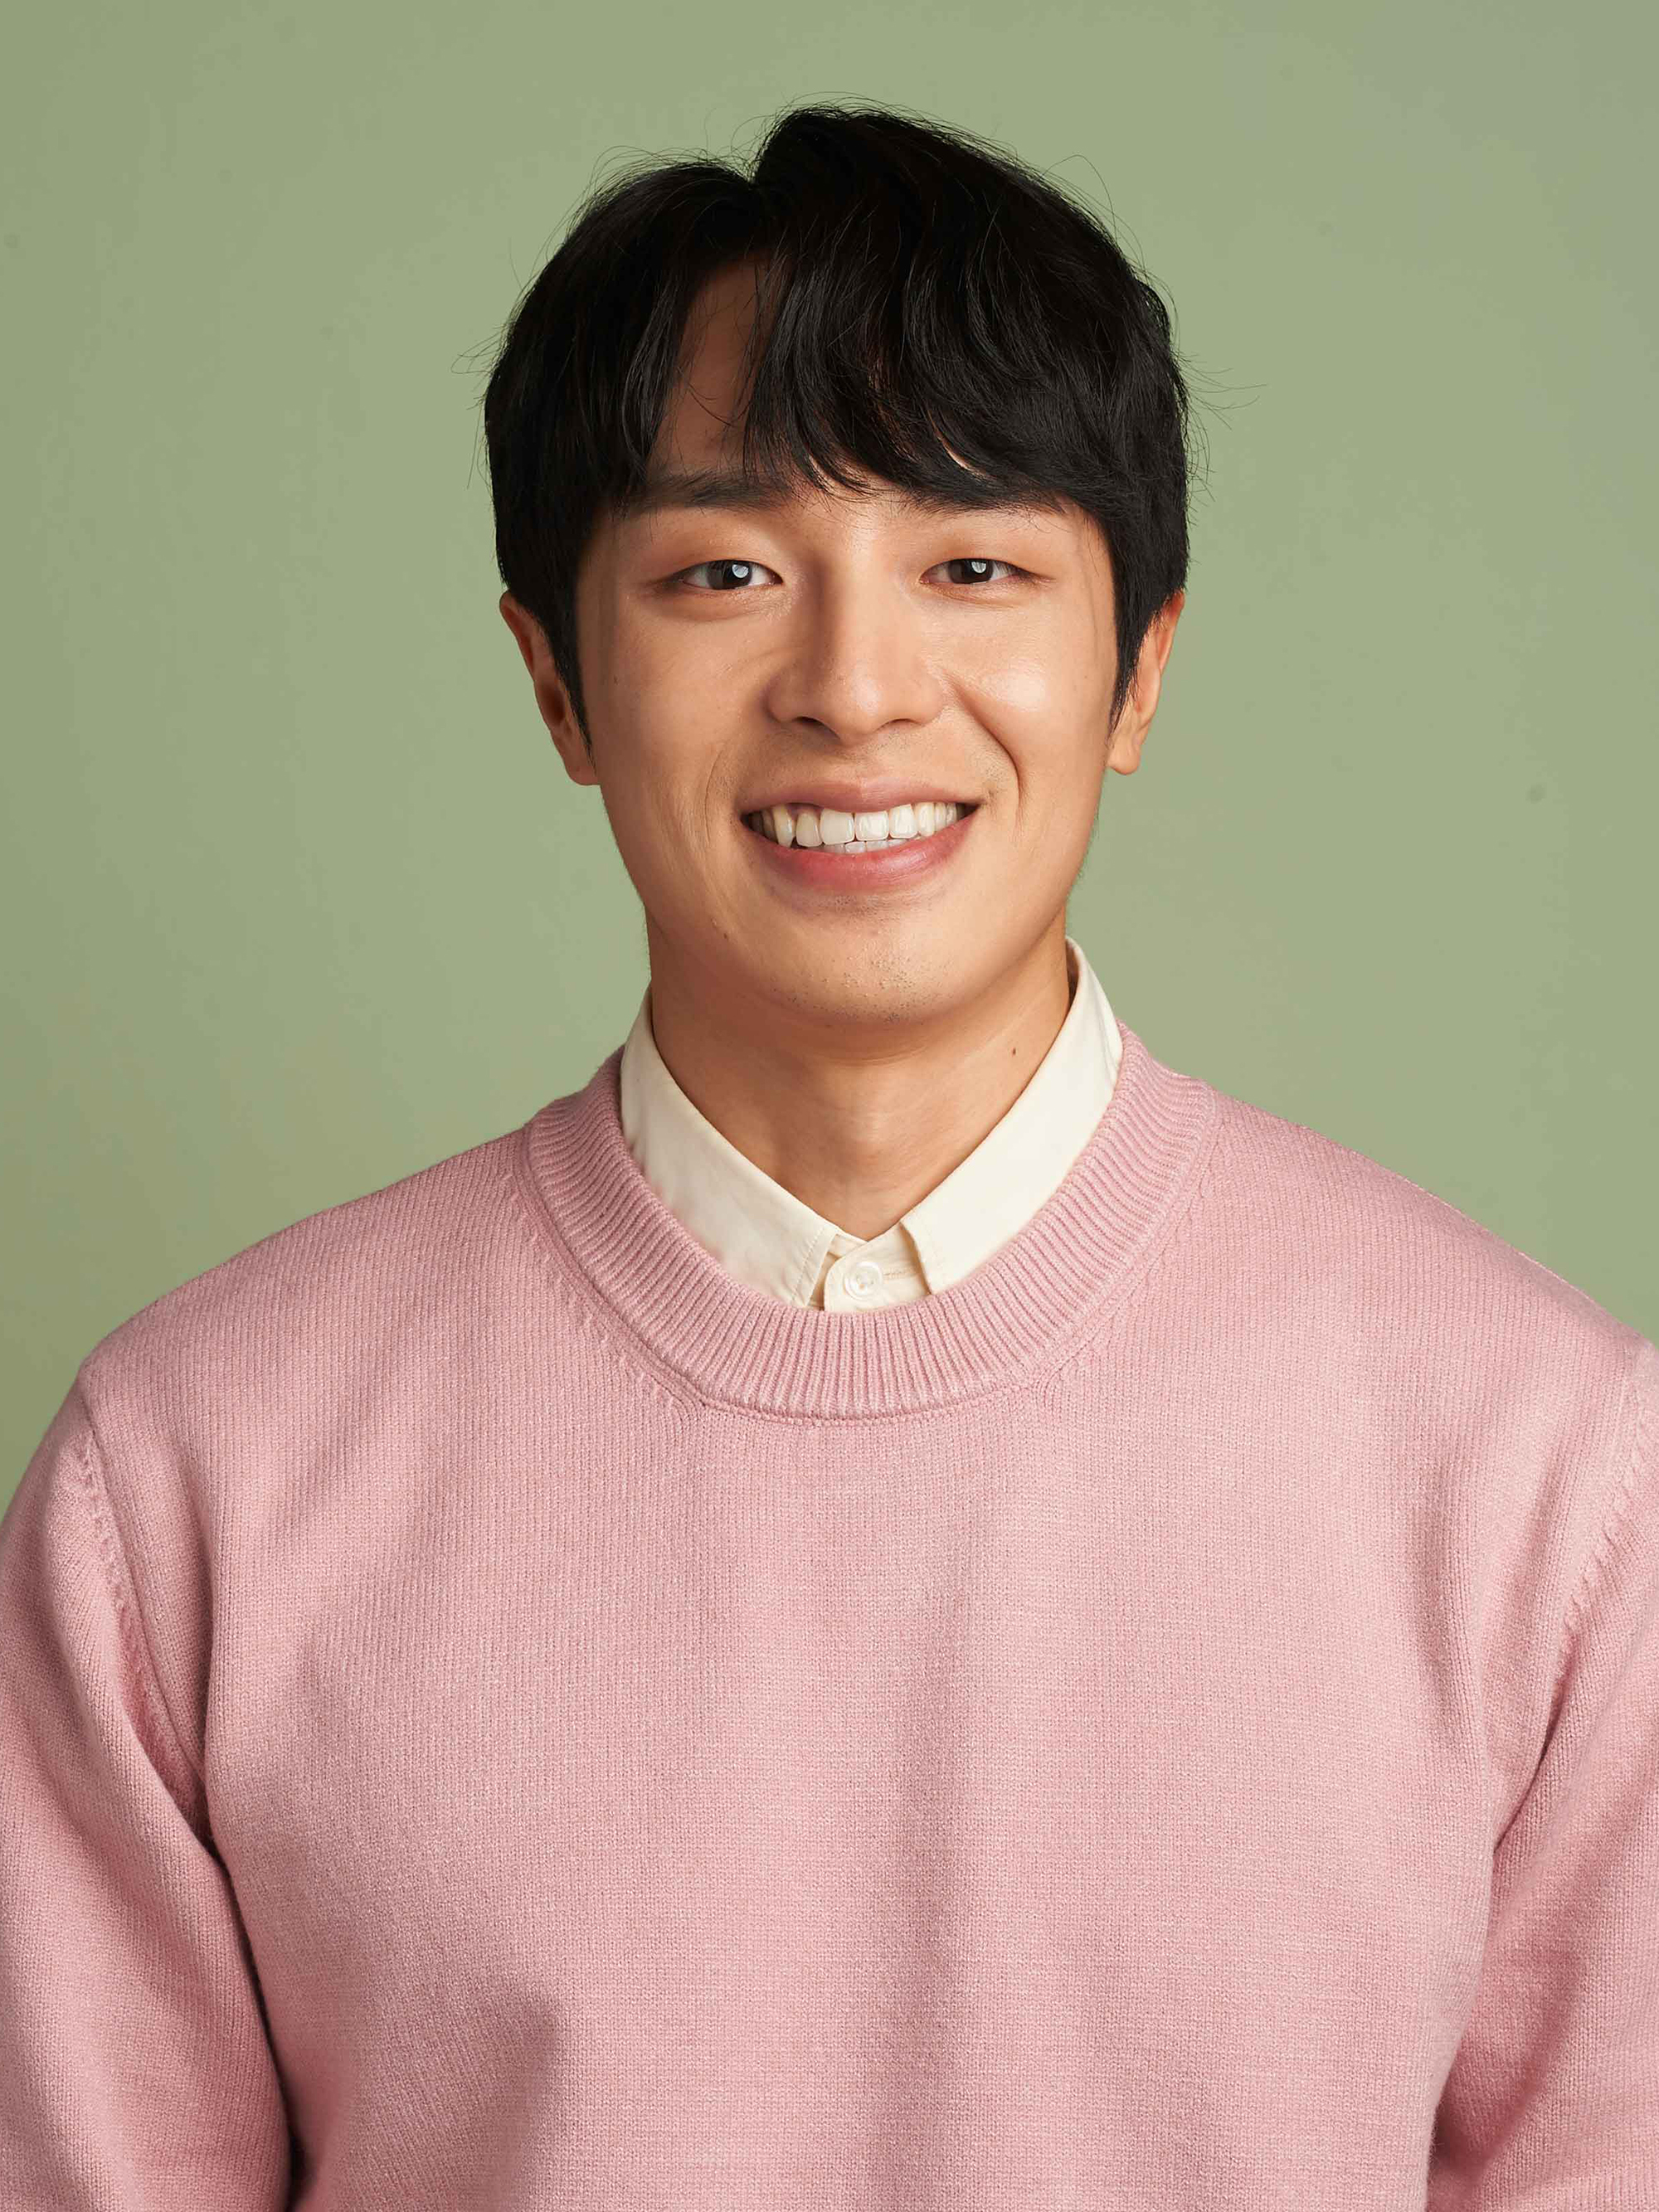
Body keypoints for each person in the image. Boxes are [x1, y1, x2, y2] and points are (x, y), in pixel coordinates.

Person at [2, 100, 1654, 2212]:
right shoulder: (190, 1479)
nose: (856, 688)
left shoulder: (1544, 1473)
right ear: (555, 679)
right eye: (726, 572)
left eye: (972, 565)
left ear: (1139, 664)